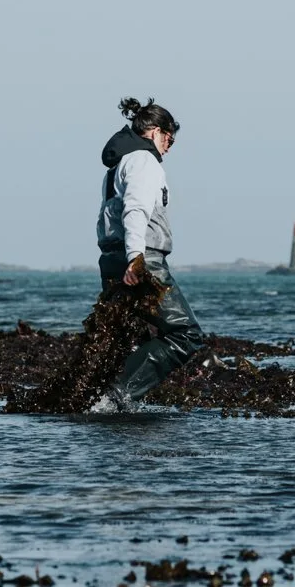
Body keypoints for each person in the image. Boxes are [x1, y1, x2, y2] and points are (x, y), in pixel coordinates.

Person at [93, 97, 206, 410]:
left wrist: (118, 258)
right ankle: (116, 399)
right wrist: (136, 258)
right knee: (185, 334)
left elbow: (105, 219)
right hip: (142, 258)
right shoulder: (144, 161)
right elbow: (136, 210)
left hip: (111, 257)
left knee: (134, 336)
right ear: (155, 132)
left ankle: (105, 402)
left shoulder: (117, 167)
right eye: (170, 140)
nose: (169, 148)